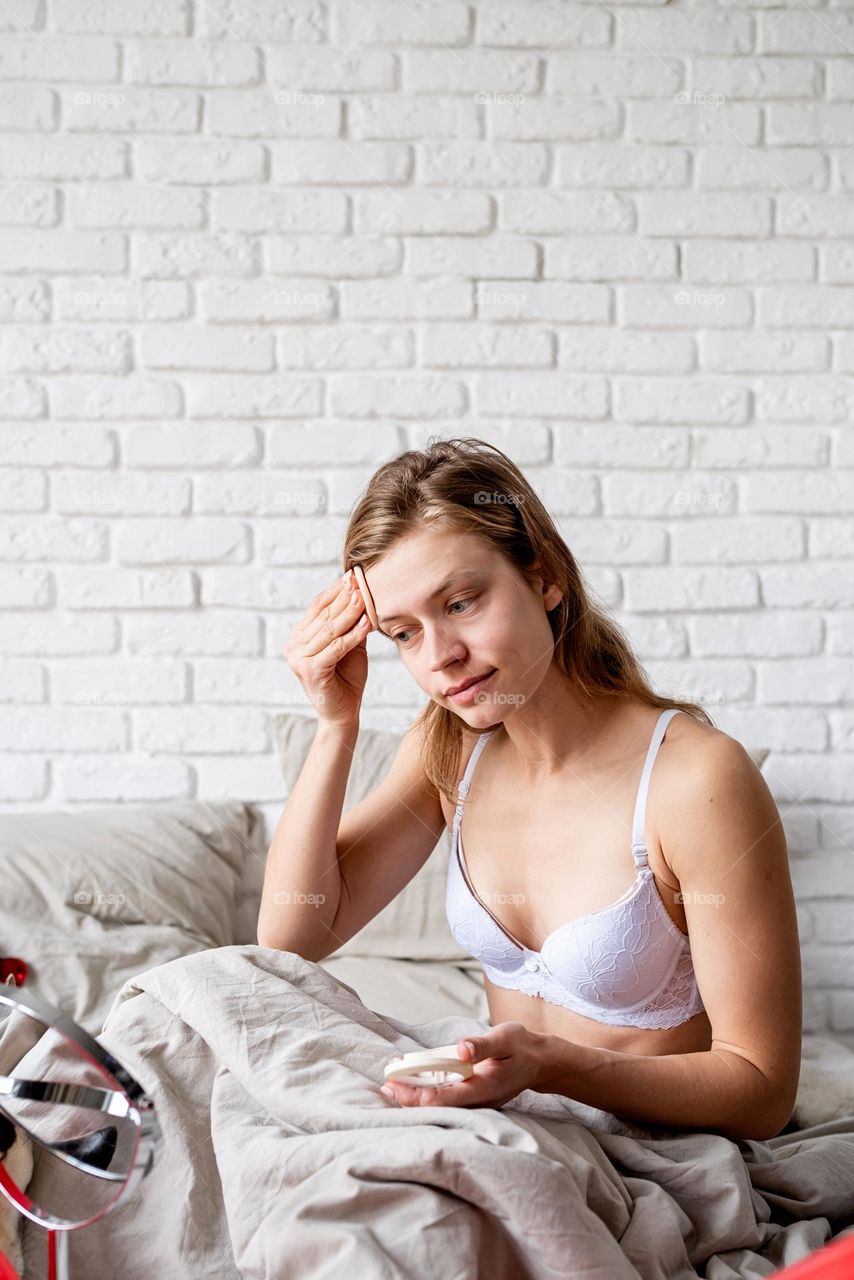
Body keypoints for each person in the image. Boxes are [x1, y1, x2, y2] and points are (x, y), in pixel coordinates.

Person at [263, 436, 802, 1140]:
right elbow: (292, 936)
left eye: (460, 603)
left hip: (653, 1152)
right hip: (512, 1129)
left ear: (544, 578)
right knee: (206, 1005)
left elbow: (761, 1092)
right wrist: (336, 724)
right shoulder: (451, 750)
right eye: (402, 633)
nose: (439, 658)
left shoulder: (696, 780)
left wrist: (550, 1065)